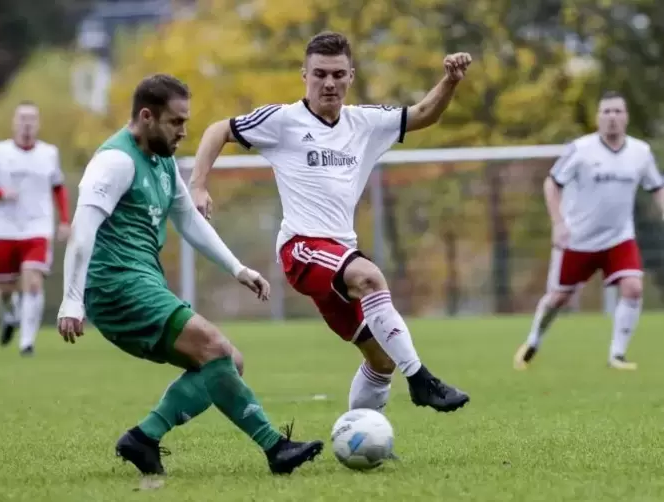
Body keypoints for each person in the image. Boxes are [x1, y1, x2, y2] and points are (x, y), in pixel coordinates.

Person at [56, 74, 323, 477]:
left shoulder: (162, 161)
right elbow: (82, 230)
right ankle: (275, 448)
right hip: (116, 287)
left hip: (141, 283)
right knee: (215, 347)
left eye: (185, 122)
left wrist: (238, 268)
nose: (184, 131)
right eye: (176, 122)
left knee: (229, 361)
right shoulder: (115, 161)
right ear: (146, 117)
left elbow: (188, 220)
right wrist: (71, 299)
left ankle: (144, 439)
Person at [190, 31, 471, 415]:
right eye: (320, 73)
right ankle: (422, 380)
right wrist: (198, 185)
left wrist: (451, 80)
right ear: (303, 75)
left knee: (381, 360)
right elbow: (218, 129)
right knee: (371, 277)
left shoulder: (366, 123)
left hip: (340, 256)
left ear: (351, 76)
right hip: (302, 250)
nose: (329, 83)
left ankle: (358, 434)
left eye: (338, 74)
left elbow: (423, 114)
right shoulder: (282, 120)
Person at [514, 91, 664, 371]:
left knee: (633, 288)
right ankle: (533, 340)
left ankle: (616, 355)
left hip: (619, 238)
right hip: (578, 239)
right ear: (597, 118)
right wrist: (558, 223)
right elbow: (552, 183)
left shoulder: (640, 152)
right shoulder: (580, 149)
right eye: (606, 112)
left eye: (618, 112)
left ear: (626, 117)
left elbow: (657, 187)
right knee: (560, 298)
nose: (612, 118)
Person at [0, 101, 71, 355]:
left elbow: (59, 187)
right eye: (22, 118)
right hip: (4, 228)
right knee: (5, 289)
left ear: (38, 123)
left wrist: (64, 220)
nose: (27, 123)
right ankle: (9, 316)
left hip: (37, 227)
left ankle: (27, 342)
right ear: (14, 122)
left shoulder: (49, 153)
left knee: (32, 281)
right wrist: (1, 192)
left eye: (32, 118)